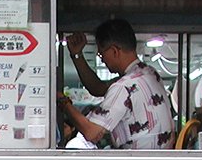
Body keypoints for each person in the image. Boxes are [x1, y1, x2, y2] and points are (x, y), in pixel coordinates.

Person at [57, 18, 175, 149]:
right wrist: (77, 55)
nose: (103, 60)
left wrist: (63, 102)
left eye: (101, 54)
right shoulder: (149, 73)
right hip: (161, 158)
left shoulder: (123, 87)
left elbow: (91, 133)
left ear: (114, 51)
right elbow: (98, 88)